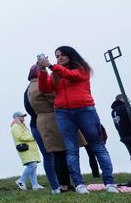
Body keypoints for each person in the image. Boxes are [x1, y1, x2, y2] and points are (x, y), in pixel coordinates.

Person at [38, 46, 117, 194]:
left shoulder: (82, 68)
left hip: (85, 110)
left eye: (62, 55)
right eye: (57, 56)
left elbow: (73, 76)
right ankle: (79, 184)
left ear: (70, 55)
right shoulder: (55, 72)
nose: (59, 58)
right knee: (71, 149)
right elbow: (45, 89)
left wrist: (51, 66)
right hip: (63, 112)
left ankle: (110, 182)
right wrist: (43, 71)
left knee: (98, 146)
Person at [24, 64, 63, 193]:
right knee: (56, 154)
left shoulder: (27, 90)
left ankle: (55, 186)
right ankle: (60, 185)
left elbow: (29, 109)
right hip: (46, 123)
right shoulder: (41, 86)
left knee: (48, 157)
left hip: (35, 124)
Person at [11, 112, 44, 190]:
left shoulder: (21, 125)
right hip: (25, 148)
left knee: (34, 165)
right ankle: (21, 180)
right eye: (21, 116)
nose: (23, 117)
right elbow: (20, 136)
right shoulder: (15, 126)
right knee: (32, 165)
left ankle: (35, 185)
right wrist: (33, 137)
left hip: (29, 148)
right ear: (17, 117)